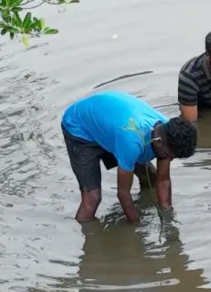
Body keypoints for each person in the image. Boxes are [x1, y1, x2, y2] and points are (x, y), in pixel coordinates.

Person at [61, 90, 197, 223]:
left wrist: (167, 218)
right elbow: (123, 193)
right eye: (169, 156)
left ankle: (143, 204)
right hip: (79, 127)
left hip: (112, 123)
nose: (170, 159)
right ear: (159, 142)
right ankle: (83, 229)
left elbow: (163, 180)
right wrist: (136, 225)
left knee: (151, 177)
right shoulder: (131, 142)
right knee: (93, 198)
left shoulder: (167, 132)